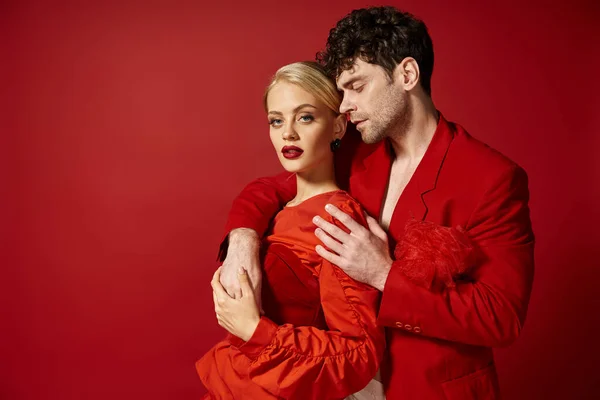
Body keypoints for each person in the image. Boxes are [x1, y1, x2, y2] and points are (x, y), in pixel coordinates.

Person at [216, 6, 535, 400]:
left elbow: (499, 317)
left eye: (356, 86)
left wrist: (383, 274)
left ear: (406, 75)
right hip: (339, 382)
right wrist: (242, 241)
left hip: (429, 388)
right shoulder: (357, 146)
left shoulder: (493, 179)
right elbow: (274, 187)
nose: (344, 105)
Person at [196, 61, 386, 400]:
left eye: (306, 117)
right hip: (232, 385)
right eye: (276, 120)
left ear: (339, 126)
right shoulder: (279, 210)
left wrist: (254, 332)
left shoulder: (336, 218)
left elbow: (359, 354)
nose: (288, 133)